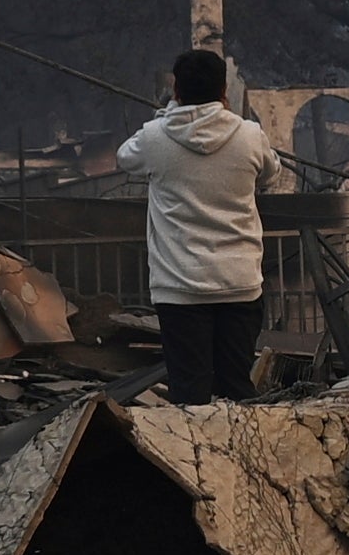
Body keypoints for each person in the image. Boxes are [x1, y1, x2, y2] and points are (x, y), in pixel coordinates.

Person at [118, 47, 284, 402]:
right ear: (224, 92)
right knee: (237, 385)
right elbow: (272, 171)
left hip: (180, 288)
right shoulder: (250, 135)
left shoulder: (154, 136)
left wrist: (169, 113)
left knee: (189, 391)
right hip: (240, 284)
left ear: (177, 90)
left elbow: (124, 157)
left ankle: (192, 457)